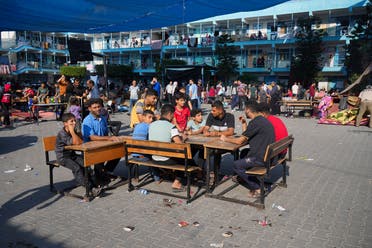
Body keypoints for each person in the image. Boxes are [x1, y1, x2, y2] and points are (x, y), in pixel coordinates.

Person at [220, 101, 275, 198]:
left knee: (235, 165)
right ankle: (242, 177)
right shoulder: (262, 120)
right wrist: (244, 123)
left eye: (245, 109)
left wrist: (225, 138)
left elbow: (240, 141)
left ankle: (258, 188)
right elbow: (246, 135)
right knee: (244, 152)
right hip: (269, 155)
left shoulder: (255, 123)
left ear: (248, 110)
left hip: (261, 158)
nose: (244, 111)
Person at [55, 113, 101, 196]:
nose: (74, 123)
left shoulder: (74, 130)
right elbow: (76, 142)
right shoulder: (62, 133)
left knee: (85, 163)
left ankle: (92, 183)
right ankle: (90, 188)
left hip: (72, 155)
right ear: (65, 123)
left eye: (75, 121)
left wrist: (76, 131)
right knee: (77, 168)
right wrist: (72, 131)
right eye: (71, 121)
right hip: (63, 157)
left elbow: (80, 141)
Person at [148, 104, 189, 191]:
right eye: (173, 115)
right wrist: (183, 138)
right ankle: (177, 182)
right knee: (184, 158)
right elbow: (179, 144)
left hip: (154, 157)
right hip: (166, 160)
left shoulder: (152, 125)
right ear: (170, 114)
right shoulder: (171, 127)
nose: (173, 117)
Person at [82, 98, 122, 183]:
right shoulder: (87, 120)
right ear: (90, 109)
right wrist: (109, 138)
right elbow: (92, 137)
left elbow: (105, 133)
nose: (98, 109)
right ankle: (99, 177)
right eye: (95, 107)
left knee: (119, 150)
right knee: (100, 155)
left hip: (101, 144)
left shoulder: (103, 118)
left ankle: (106, 172)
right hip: (91, 147)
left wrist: (112, 139)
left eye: (98, 107)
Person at [132, 110, 160, 182]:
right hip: (143, 155)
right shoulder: (149, 126)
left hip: (134, 154)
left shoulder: (137, 126)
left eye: (152, 118)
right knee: (154, 157)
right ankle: (157, 178)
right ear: (143, 117)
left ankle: (136, 177)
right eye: (149, 117)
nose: (151, 120)